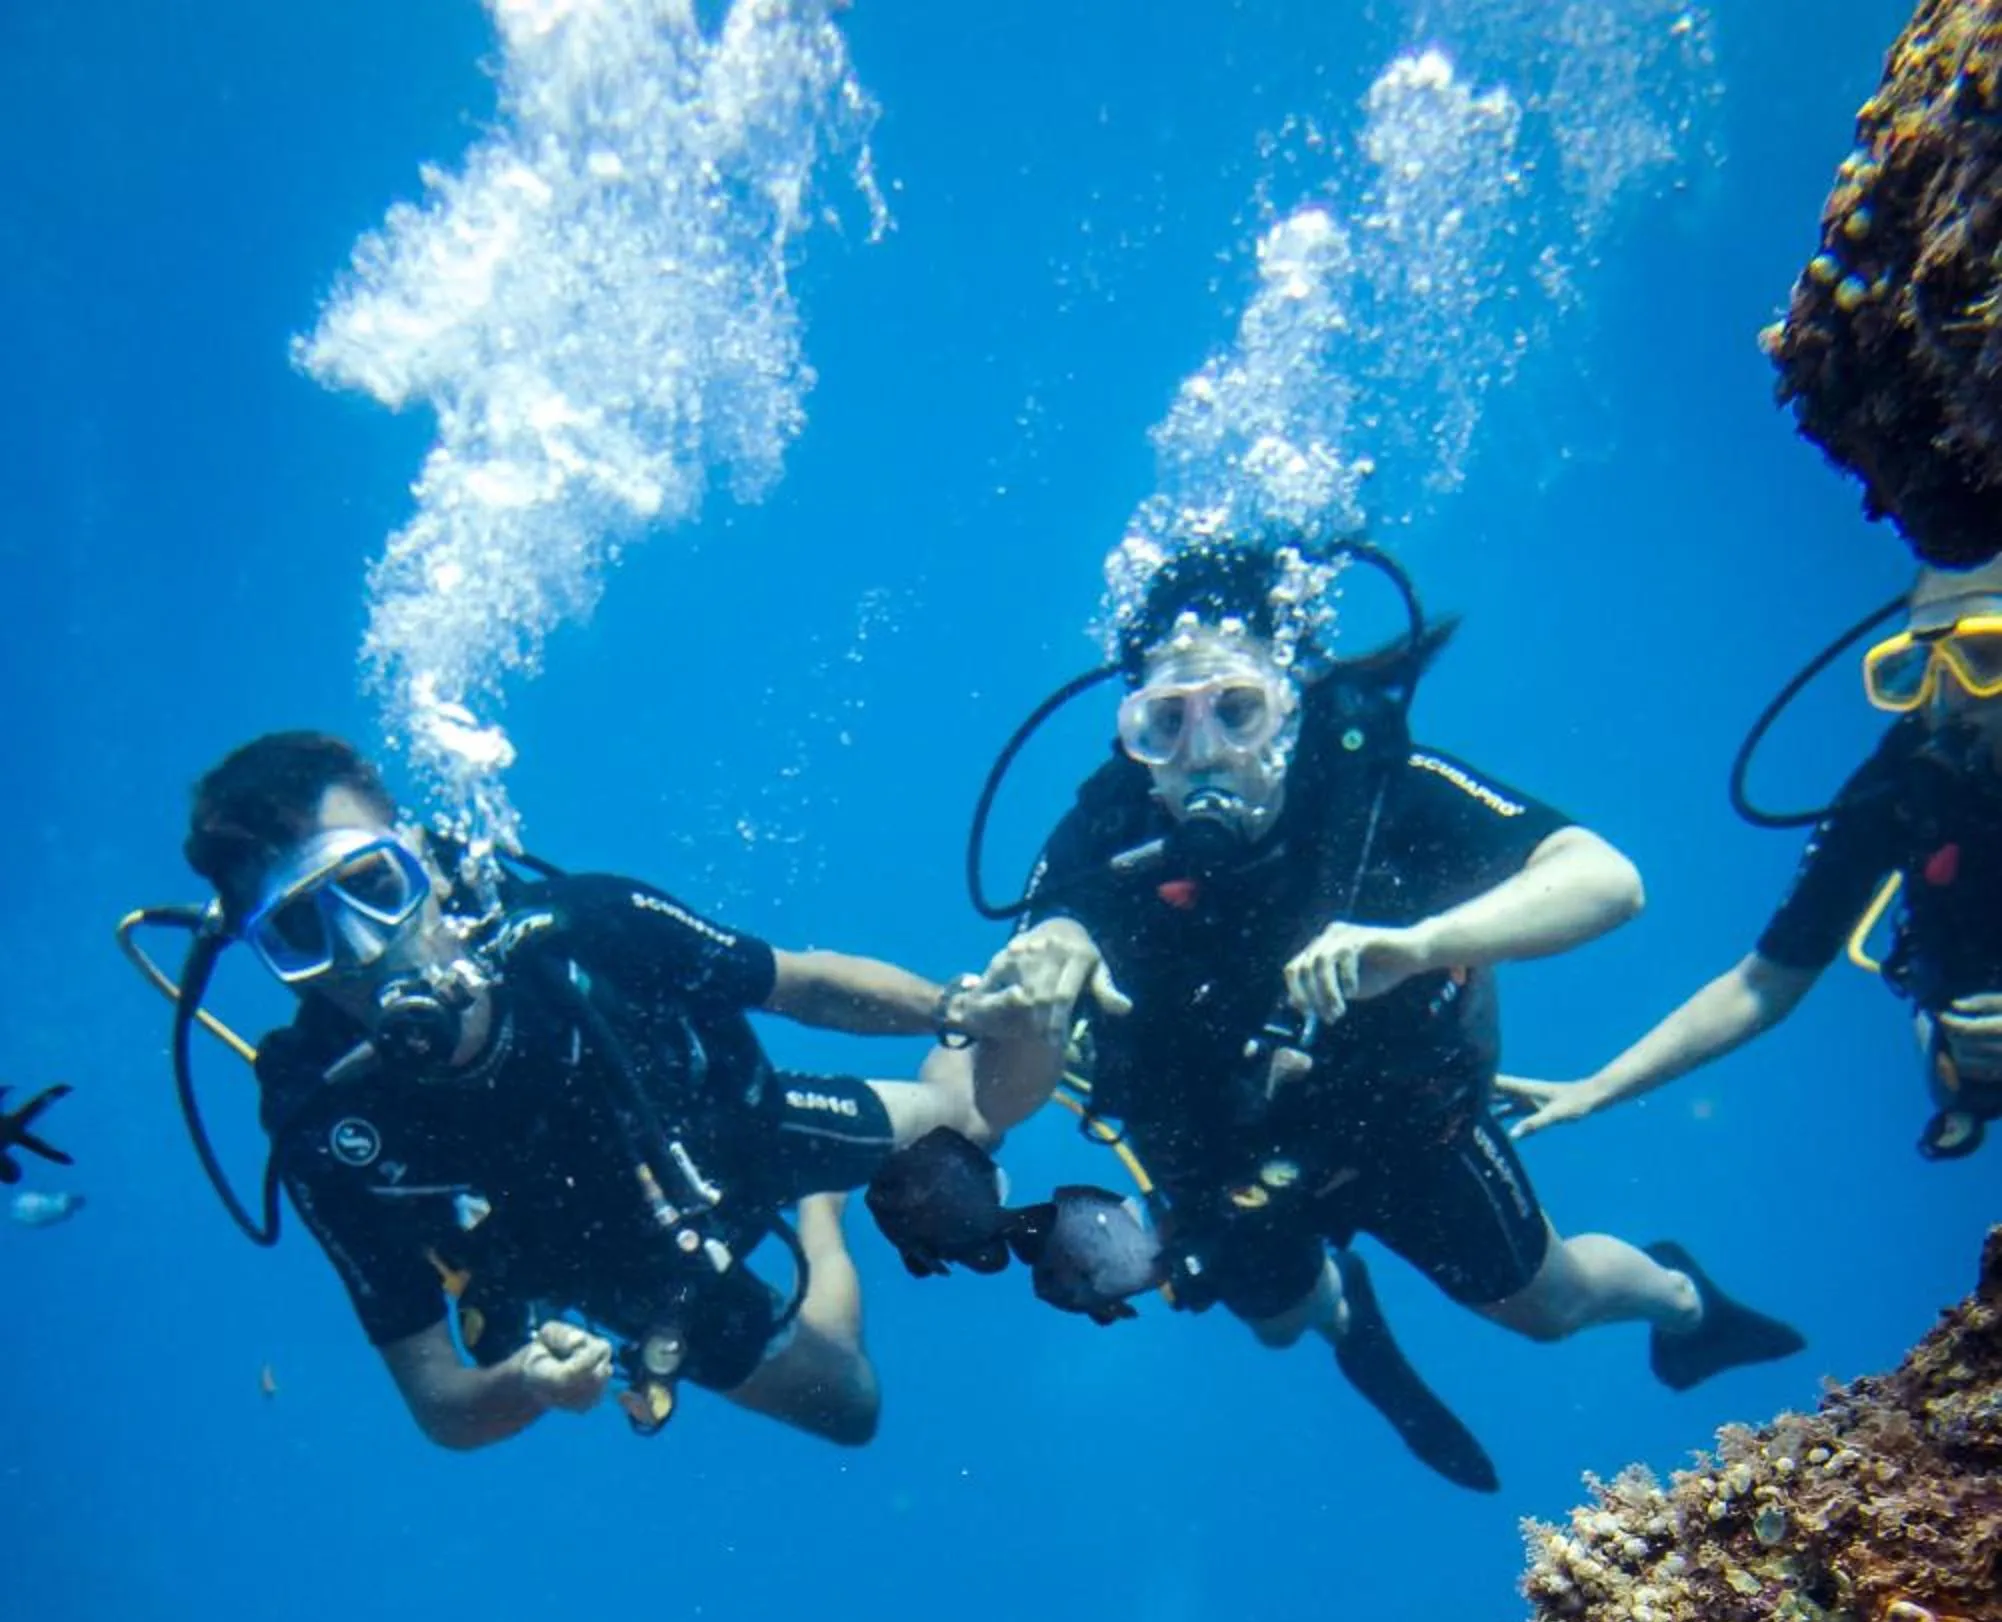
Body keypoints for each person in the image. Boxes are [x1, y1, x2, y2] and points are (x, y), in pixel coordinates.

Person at [929, 533, 1803, 1487]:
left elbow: (1607, 880)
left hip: (1397, 1118)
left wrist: (1423, 944)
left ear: (1292, 703)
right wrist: (1035, 1006)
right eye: (1165, 724)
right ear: (1133, 737)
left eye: (1237, 710)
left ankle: (1683, 1302)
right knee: (1278, 1323)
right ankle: (1348, 1315)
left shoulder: (1380, 791)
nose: (1203, 751)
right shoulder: (1096, 843)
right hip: (1213, 1140)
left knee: (1549, 1309)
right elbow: (1005, 1102)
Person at [173, 732, 1064, 1450]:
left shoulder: (583, 924)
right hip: (635, 1274)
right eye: (301, 930)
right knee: (851, 1407)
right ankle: (823, 1216)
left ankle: (1002, 1016)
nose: (365, 948)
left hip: (738, 1125)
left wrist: (959, 1008)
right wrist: (527, 1384)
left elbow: (803, 985)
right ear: (270, 959)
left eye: (374, 886)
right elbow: (440, 1401)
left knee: (974, 1123)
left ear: (427, 862)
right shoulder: (325, 1125)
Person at [1500, 551, 2002, 1163]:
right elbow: (1762, 983)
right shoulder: (1905, 785)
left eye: (1985, 657)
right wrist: (1596, 1088)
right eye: (1922, 668)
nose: (1951, 698)